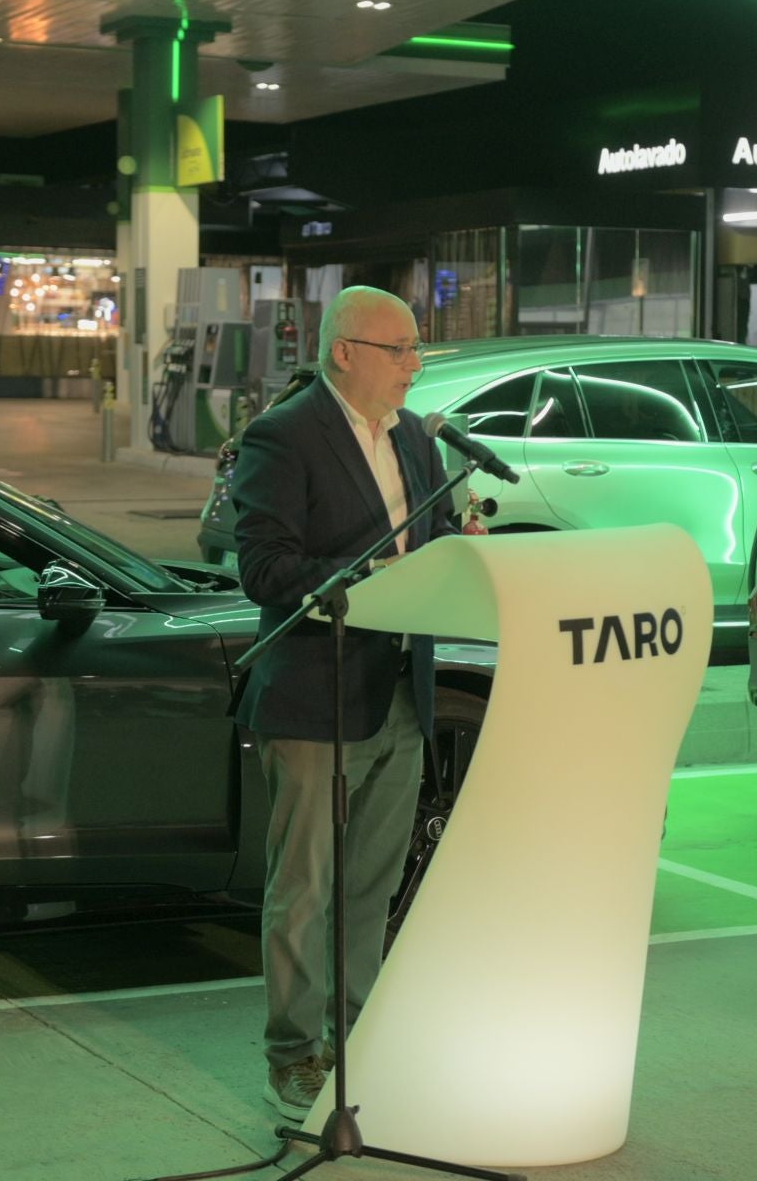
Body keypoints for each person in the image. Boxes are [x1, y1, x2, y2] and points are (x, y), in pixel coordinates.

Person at [231, 286, 457, 1119]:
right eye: (398, 349)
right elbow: (262, 568)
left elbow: (427, 549)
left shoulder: (418, 443)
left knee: (371, 886)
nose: (414, 364)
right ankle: (293, 1055)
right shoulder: (283, 436)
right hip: (313, 695)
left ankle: (358, 1043)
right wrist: (365, 581)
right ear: (345, 353)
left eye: (415, 349)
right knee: (305, 891)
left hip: (401, 691)